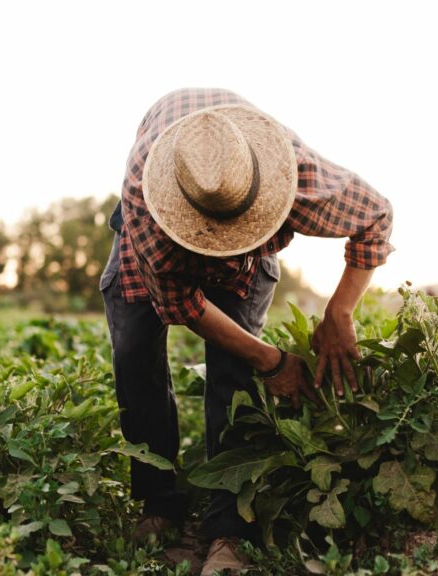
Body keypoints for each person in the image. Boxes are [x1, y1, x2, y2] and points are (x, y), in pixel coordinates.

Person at [99, 88, 394, 575]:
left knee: (234, 375)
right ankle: (159, 503)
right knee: (134, 357)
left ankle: (229, 530)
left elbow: (376, 217)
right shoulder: (147, 206)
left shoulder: (292, 173)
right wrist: (273, 360)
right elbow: (183, 306)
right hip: (153, 238)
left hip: (250, 195)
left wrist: (340, 313)